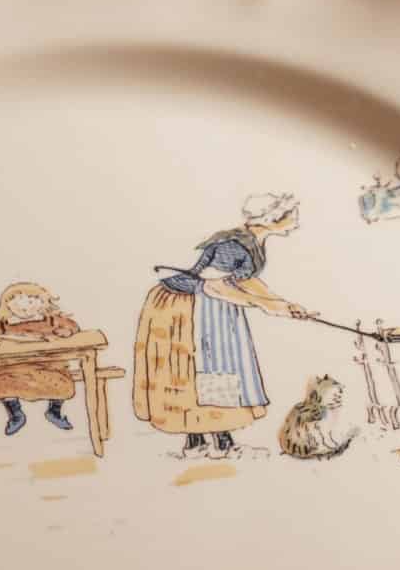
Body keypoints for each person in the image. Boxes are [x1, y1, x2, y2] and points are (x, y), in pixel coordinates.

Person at [133, 194, 315, 458]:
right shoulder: (234, 246)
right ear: (271, 218)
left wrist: (283, 305)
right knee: (202, 369)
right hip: (187, 306)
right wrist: (264, 305)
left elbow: (245, 280)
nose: (296, 219)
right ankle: (211, 442)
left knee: (219, 369)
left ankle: (209, 441)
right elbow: (215, 286)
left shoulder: (250, 240)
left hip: (211, 303)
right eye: (290, 214)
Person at [0, 282, 80, 436]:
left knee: (60, 380)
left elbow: (73, 326)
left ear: (43, 302)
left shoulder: (52, 320)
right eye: (18, 305)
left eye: (31, 302)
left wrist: (67, 332)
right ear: (7, 306)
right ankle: (16, 415)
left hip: (48, 366)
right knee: (4, 382)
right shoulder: (3, 325)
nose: (26, 309)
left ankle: (54, 411)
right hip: (14, 368)